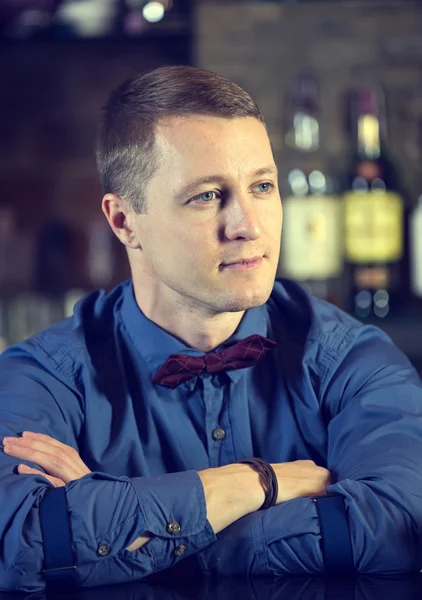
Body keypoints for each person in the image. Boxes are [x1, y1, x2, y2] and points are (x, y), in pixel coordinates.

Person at [0, 66, 421, 592]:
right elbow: (20, 542)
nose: (248, 225)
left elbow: (400, 526)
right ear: (124, 221)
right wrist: (263, 482)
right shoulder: (41, 377)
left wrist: (127, 533)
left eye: (262, 186)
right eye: (206, 196)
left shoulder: (351, 361)